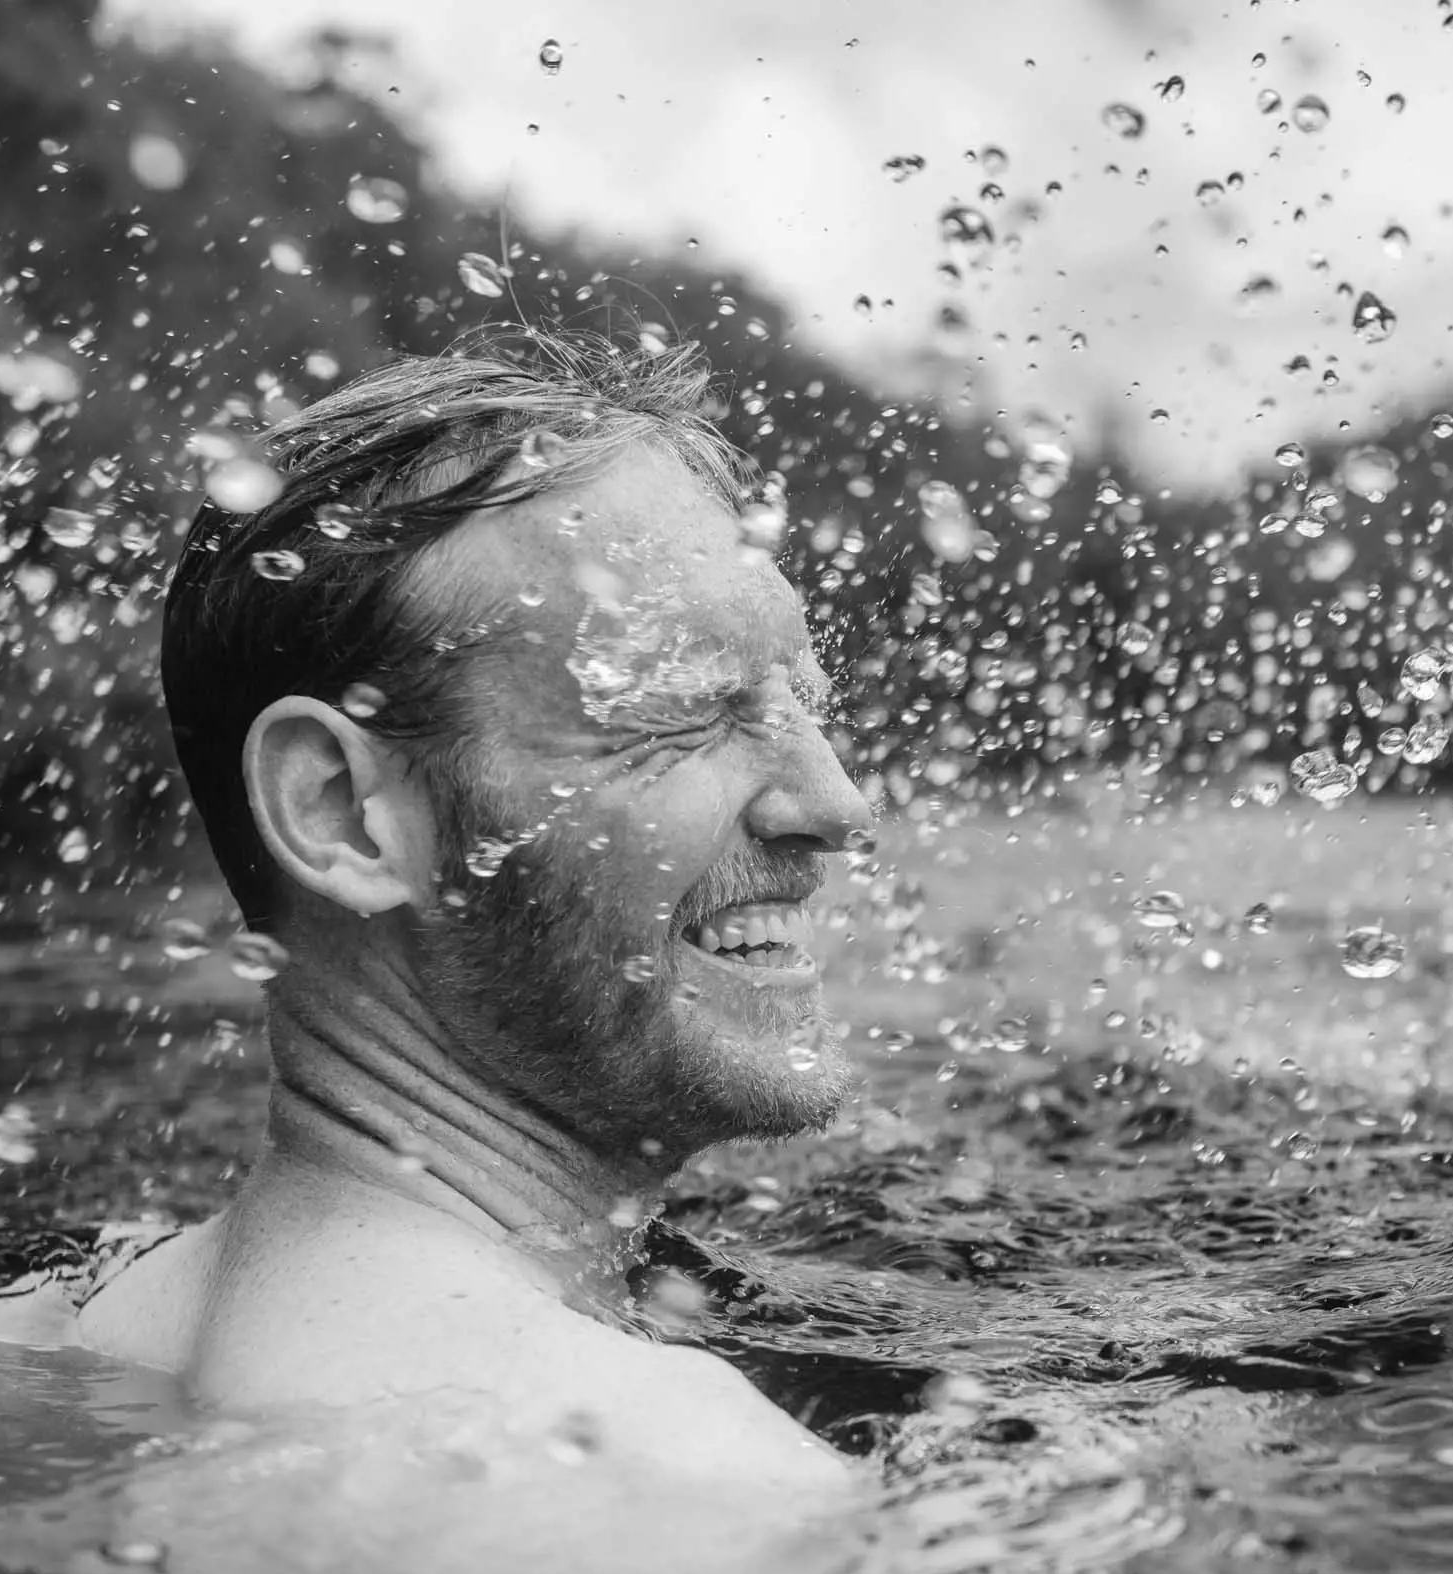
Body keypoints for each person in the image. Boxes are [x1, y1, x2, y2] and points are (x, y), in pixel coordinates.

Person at [72, 326, 875, 1502]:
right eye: (684, 706)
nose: (837, 804)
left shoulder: (31, 1335)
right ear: (341, 811)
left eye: (802, 699)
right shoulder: (653, 1483)